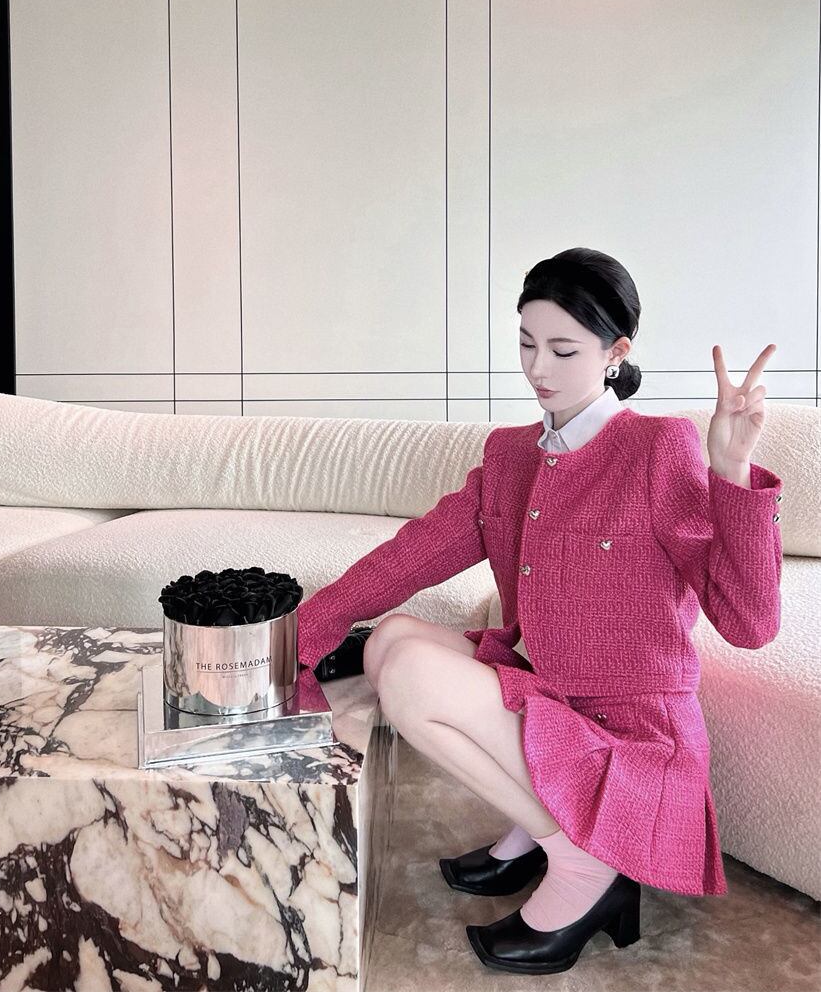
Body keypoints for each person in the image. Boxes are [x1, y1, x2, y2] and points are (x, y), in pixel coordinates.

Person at [296, 247, 783, 976]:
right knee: (388, 639)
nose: (537, 369)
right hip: (550, 697)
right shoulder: (510, 455)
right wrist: (302, 631)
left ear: (616, 353)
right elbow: (411, 555)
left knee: (412, 677)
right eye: (526, 344)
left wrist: (730, 471)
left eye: (563, 349)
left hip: (628, 736)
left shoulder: (658, 447)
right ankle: (544, 823)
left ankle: (585, 862)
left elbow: (749, 623)